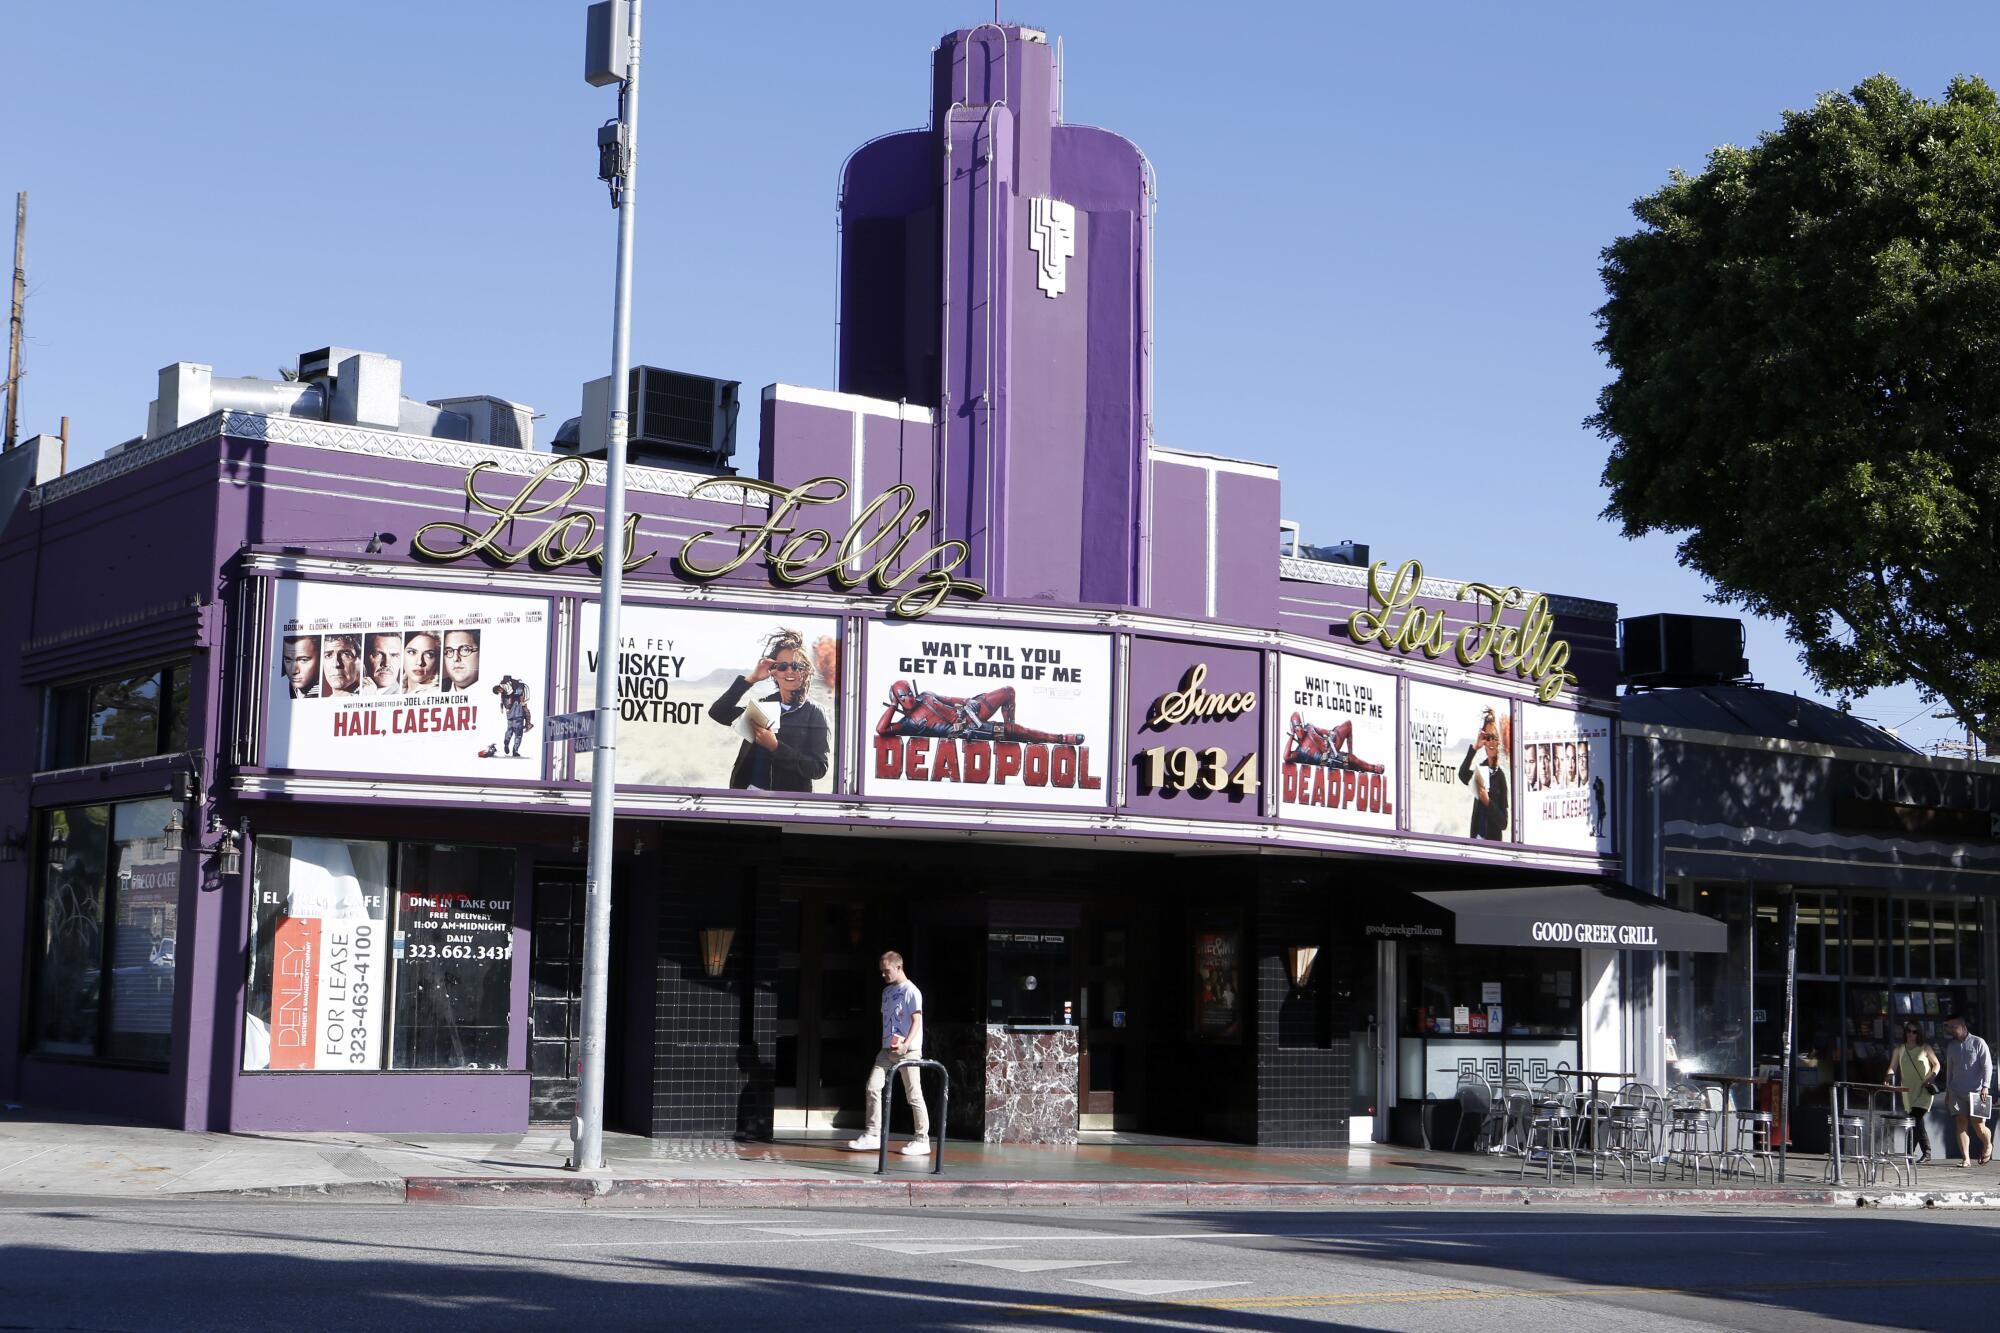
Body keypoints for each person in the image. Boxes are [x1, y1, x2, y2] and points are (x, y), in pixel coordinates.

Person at [708, 628, 831, 792]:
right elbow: (718, 713)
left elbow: (818, 768)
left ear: (806, 671)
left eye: (796, 666)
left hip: (787, 803)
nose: (789, 671)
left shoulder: (815, 713)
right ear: (774, 673)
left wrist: (775, 746)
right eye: (782, 666)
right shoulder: (764, 706)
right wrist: (752, 679)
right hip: (747, 794)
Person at [846, 950, 930, 1156]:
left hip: (908, 1051)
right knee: (873, 1086)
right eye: (882, 971)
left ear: (899, 967)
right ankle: (873, 1133)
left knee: (913, 1094)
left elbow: (916, 1020)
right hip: (887, 1049)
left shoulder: (912, 991)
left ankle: (922, 1138)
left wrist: (906, 1044)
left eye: (887, 971)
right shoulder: (886, 992)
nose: (884, 975)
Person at [877, 681, 1083, 746]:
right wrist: (893, 706)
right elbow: (882, 729)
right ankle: (1060, 738)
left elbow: (949, 699)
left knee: (1008, 692)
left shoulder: (926, 696)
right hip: (965, 729)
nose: (910, 698)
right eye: (903, 696)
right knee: (1019, 731)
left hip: (968, 713)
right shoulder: (908, 722)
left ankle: (1009, 736)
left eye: (909, 693)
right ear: (897, 698)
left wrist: (969, 701)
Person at [1940, 1015, 1994, 1166]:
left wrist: (1986, 1086)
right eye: (1948, 1027)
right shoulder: (1951, 1046)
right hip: (1956, 1091)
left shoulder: (1978, 1042)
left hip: (1977, 1091)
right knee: (1960, 1122)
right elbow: (1949, 1070)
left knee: (1979, 1125)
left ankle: (1988, 1144)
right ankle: (1966, 1159)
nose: (1950, 1029)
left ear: (1962, 1025)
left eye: (1953, 1026)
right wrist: (1948, 1091)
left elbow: (1987, 1066)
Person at [1888, 1022, 1940, 1163]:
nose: (1911, 1034)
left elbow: (1936, 1064)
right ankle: (1927, 1152)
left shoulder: (1925, 1048)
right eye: (1909, 1031)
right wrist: (1887, 1077)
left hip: (1924, 1090)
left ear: (1919, 1033)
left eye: (1914, 1032)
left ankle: (1909, 1153)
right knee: (1917, 1122)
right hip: (1908, 1092)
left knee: (1915, 1120)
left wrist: (1932, 1076)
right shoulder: (1899, 1050)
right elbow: (1892, 1067)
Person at [1457, 707, 1510, 840]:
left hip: (1492, 844)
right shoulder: (1481, 770)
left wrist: (1488, 802)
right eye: (1487, 737)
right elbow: (1463, 775)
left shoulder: (1501, 776)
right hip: (1476, 839)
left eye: (1494, 737)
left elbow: (1503, 823)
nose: (1491, 742)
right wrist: (1475, 747)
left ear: (1499, 741)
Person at [1285, 712, 1384, 773]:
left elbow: (1322, 731)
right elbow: (1286, 757)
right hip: (1328, 760)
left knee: (1347, 725)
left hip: (1331, 746)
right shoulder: (1300, 751)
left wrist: (1331, 733)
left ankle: (1351, 752)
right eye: (1296, 729)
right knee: (1352, 760)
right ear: (1293, 729)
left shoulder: (1309, 728)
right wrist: (1291, 737)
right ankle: (1373, 768)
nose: (1300, 731)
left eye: (1300, 727)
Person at [494, 675, 532, 757]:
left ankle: (506, 743)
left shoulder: (504, 695)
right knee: (518, 734)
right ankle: (515, 750)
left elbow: (504, 703)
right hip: (518, 715)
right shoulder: (518, 692)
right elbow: (524, 705)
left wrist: (505, 709)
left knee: (509, 730)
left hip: (510, 716)